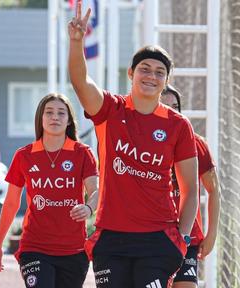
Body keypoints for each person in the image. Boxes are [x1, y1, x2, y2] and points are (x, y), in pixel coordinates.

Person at [68, 3, 199, 287]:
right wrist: (76, 42)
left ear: (166, 81)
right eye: (144, 69)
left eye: (159, 72)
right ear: (131, 73)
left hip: (157, 241)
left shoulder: (178, 125)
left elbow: (190, 190)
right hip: (111, 239)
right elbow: (81, 83)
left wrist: (182, 237)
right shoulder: (110, 110)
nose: (151, 76)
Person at [0, 93, 99, 288]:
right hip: (34, 247)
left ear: (69, 120)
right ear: (40, 118)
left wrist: (88, 208)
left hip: (74, 250)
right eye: (49, 112)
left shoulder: (82, 153)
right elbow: (10, 203)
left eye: (61, 113)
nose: (55, 117)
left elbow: (96, 190)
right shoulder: (24, 155)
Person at [161, 85, 221, 288]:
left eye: (175, 106)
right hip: (151, 234)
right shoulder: (139, 142)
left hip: (187, 238)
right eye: (164, 105)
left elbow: (214, 190)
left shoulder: (196, 143)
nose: (171, 111)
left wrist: (211, 234)